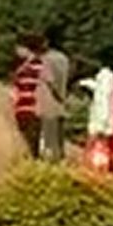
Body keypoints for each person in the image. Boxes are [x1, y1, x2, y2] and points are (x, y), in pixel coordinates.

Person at [78, 58, 113, 173]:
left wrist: (102, 121)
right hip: (105, 115)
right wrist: (86, 83)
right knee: (105, 144)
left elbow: (103, 97)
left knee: (95, 143)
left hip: (101, 116)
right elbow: (100, 89)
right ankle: (107, 166)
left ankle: (90, 166)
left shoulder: (105, 75)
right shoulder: (110, 77)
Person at [37, 31, 70, 163]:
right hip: (60, 106)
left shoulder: (47, 59)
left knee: (49, 141)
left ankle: (51, 167)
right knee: (59, 140)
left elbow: (50, 81)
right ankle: (61, 163)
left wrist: (57, 95)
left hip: (49, 104)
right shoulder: (64, 59)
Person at [11, 33, 45, 159]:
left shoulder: (37, 65)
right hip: (22, 108)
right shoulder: (23, 66)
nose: (17, 51)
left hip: (32, 107)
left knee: (32, 142)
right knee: (25, 140)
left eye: (19, 48)